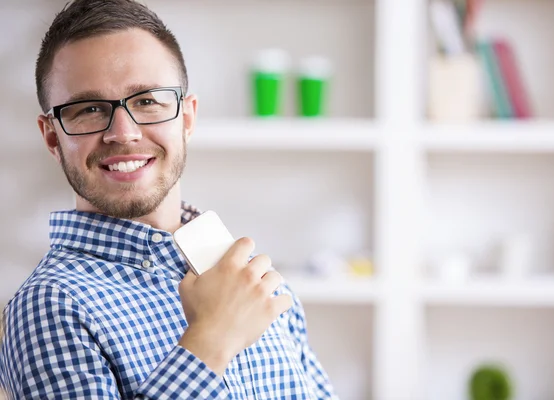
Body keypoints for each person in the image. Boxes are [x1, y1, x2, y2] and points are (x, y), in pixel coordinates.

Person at [0, 0, 336, 398]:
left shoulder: (252, 281)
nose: (123, 133)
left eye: (146, 101)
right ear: (53, 137)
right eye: (88, 109)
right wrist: (209, 341)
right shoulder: (49, 305)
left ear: (187, 119)